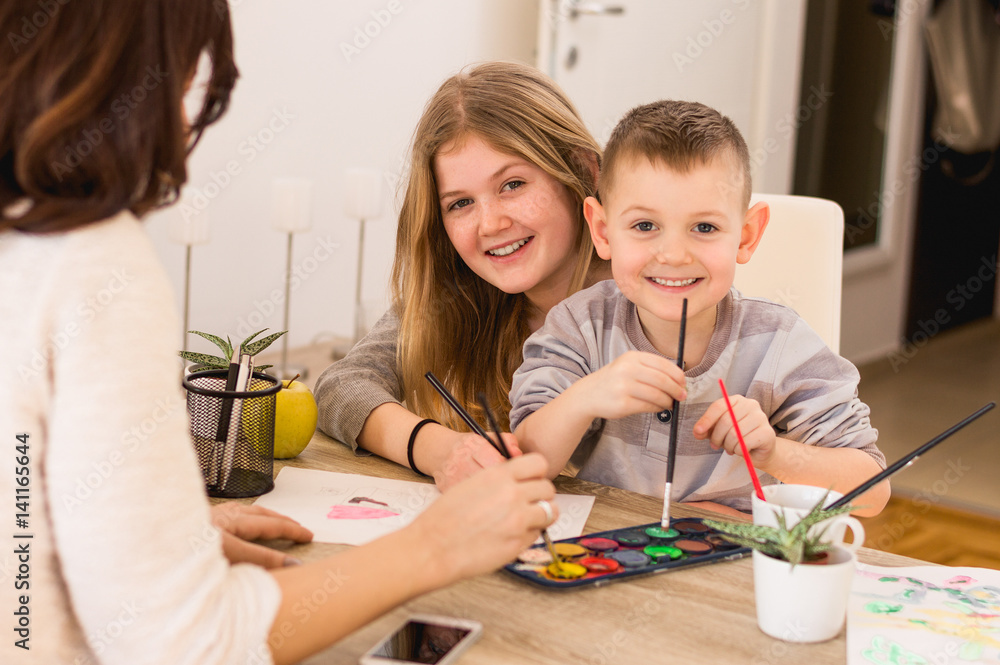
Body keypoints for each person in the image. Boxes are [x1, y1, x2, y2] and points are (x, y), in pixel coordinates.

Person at [0, 3, 556, 664]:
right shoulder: (91, 263)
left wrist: (154, 534)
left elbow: (22, 511)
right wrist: (436, 543)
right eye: (180, 81)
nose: (182, 119)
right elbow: (190, 646)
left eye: (514, 184)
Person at [510, 100, 890, 517]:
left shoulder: (779, 342)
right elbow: (526, 463)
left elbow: (872, 492)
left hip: (732, 563)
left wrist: (774, 453)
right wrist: (585, 397)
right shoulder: (579, 327)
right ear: (603, 231)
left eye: (704, 228)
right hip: (609, 558)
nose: (673, 254)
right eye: (644, 226)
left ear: (746, 236)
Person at [314, 62, 609, 490]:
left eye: (512, 185)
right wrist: (438, 449)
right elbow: (341, 386)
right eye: (460, 204)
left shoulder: (651, 290)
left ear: (583, 171)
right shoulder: (461, 293)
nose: (490, 224)